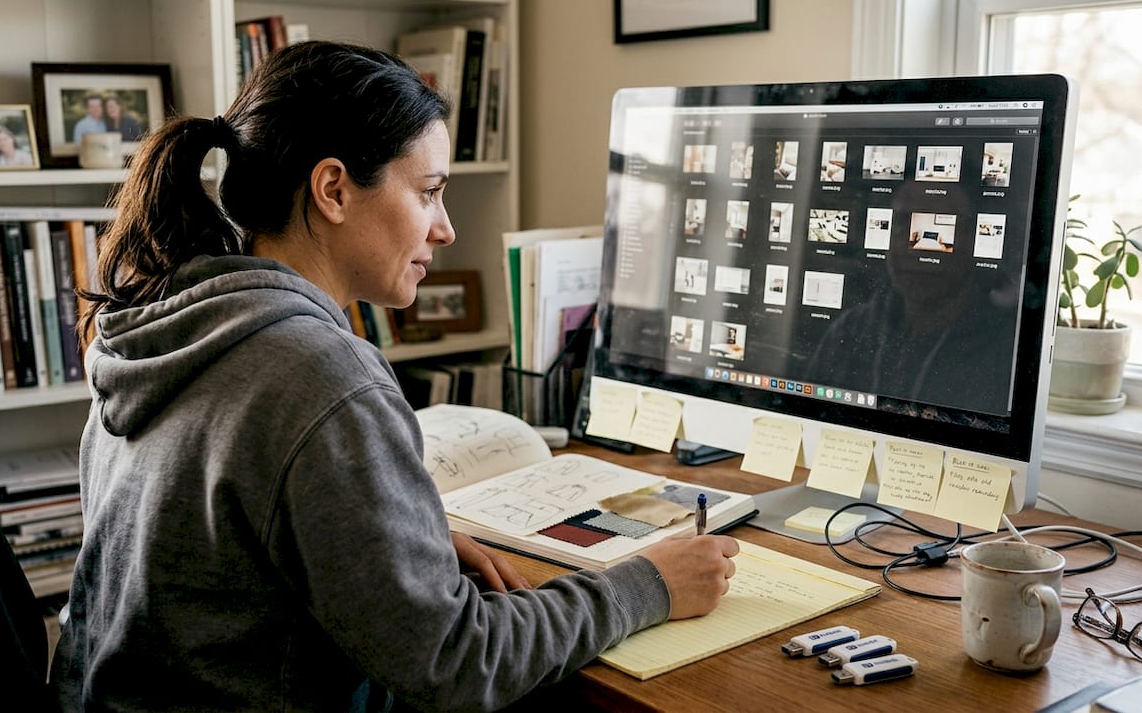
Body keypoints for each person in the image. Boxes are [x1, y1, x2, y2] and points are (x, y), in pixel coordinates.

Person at [49, 41, 739, 712]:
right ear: (333, 190)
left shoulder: (165, 322)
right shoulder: (319, 371)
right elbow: (456, 666)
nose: (445, 230)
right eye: (429, 192)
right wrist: (648, 584)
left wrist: (397, 541)